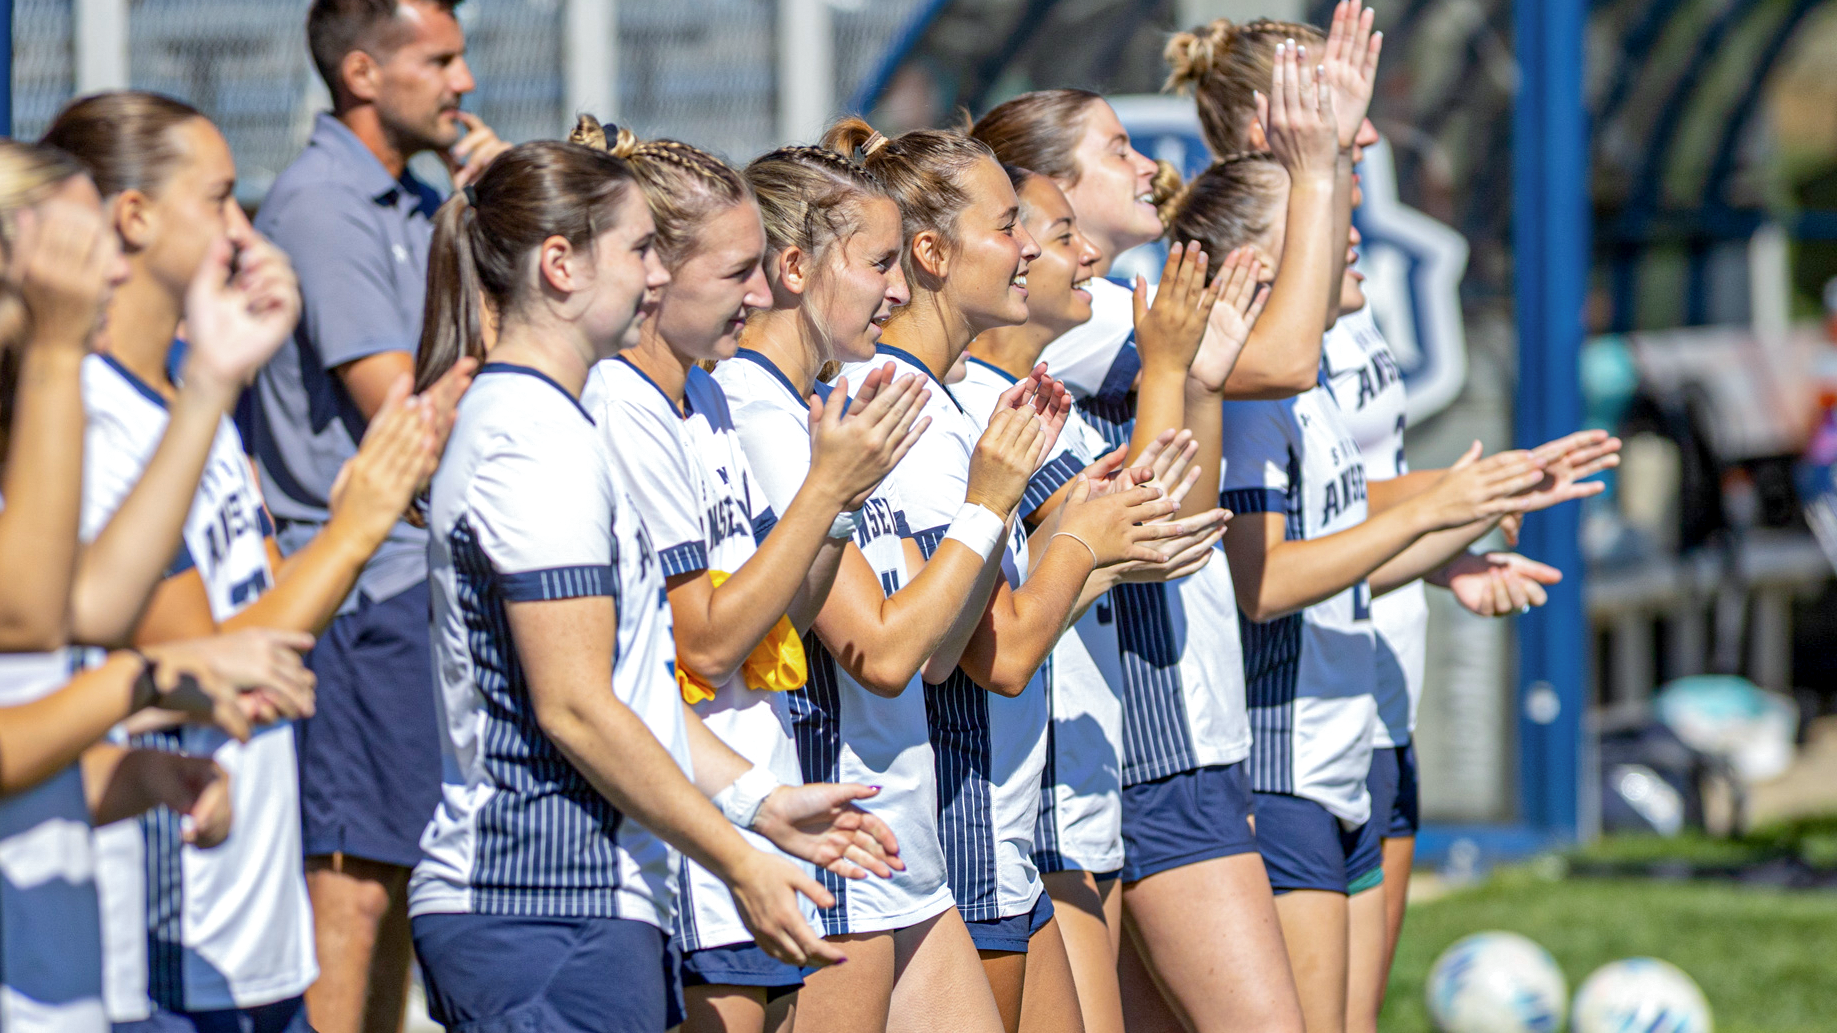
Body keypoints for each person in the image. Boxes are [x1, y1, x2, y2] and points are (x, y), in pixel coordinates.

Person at [409, 137, 905, 1033]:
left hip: (590, 897)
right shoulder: (533, 435)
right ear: (559, 266)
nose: (654, 276)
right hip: (537, 895)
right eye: (640, 251)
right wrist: (737, 856)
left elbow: (624, 693)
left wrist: (760, 803)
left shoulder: (559, 422)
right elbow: (577, 708)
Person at [45, 90, 460, 1033]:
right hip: (172, 927)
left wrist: (358, 524)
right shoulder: (100, 425)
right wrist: (360, 522)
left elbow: (270, 617)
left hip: (253, 918)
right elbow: (214, 661)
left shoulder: (190, 406)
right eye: (219, 198)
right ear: (133, 217)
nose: (244, 226)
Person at [970, 62, 1356, 1033]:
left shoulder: (1107, 307)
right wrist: (1313, 171)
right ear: (1045, 190)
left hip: (1172, 738)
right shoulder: (1065, 315)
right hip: (1143, 739)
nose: (1147, 166)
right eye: (1117, 150)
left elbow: (1184, 477)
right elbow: (1285, 357)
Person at [569, 116, 931, 1033]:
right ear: (653, 273)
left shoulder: (709, 395)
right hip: (689, 829)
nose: (760, 290)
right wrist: (828, 491)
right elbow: (708, 641)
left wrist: (838, 502)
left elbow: (787, 616)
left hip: (750, 801)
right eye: (737, 273)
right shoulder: (628, 405)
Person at [827, 116, 1187, 1033]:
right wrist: (1085, 544)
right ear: (930, 254)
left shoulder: (945, 405)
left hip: (997, 832)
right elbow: (996, 653)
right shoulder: (905, 415)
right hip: (961, 824)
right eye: (1007, 226)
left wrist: (1090, 539)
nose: (1029, 246)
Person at [718, 144, 1044, 1033]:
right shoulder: (765, 419)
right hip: (835, 837)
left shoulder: (817, 408)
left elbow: (935, 653)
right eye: (877, 264)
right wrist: (988, 508)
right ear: (795, 269)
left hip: (901, 848)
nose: (897, 291)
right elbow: (889, 652)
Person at [0, 137, 312, 1033]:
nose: (111, 269)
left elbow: (86, 608)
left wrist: (211, 383)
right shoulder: (66, 389)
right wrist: (145, 681)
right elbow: (33, 621)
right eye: (78, 241)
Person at [245, 3, 509, 1027]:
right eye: (438, 59)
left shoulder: (403, 196)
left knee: (404, 867)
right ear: (361, 71)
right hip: (358, 597)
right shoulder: (324, 205)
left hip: (406, 587)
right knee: (353, 883)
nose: (464, 81)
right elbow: (406, 418)